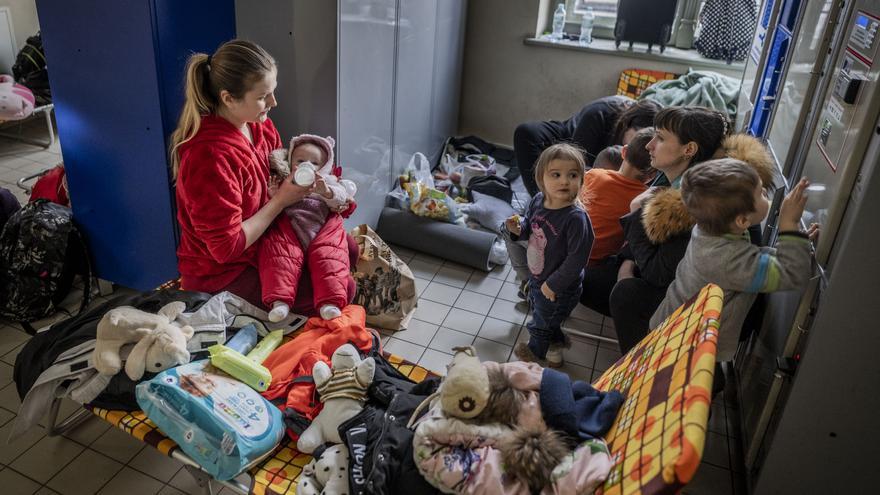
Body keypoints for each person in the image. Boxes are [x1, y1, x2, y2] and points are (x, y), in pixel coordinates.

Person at [171, 40, 355, 315]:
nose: (273, 103)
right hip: (224, 272)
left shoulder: (260, 127)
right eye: (262, 96)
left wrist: (329, 193)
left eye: (273, 92)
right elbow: (226, 249)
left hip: (267, 239)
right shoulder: (209, 157)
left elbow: (283, 177)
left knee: (347, 249)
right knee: (342, 288)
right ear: (228, 98)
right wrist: (280, 201)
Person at [609, 107, 774, 355]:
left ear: (689, 149)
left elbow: (659, 274)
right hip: (690, 291)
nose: (648, 145)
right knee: (603, 273)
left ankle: (643, 379)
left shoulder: (704, 203)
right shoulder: (676, 178)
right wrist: (628, 260)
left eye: (661, 138)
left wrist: (635, 212)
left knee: (623, 294)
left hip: (712, 315)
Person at [650, 160, 813, 362]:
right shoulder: (724, 260)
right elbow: (791, 274)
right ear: (743, 221)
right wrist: (789, 225)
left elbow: (751, 258)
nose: (767, 196)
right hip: (685, 351)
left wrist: (797, 241)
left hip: (674, 331)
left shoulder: (709, 230)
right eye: (761, 193)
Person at [504, 143, 594, 368]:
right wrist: (518, 229)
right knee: (547, 319)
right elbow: (530, 228)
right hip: (539, 278)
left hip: (560, 288)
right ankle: (555, 348)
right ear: (541, 179)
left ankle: (535, 355)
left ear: (581, 180)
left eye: (572, 175)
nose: (565, 181)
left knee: (540, 324)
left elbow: (577, 259)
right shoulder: (538, 201)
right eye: (556, 174)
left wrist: (552, 285)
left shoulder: (576, 218)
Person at [261, 134, 358, 322]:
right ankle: (280, 302)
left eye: (314, 163)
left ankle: (329, 303)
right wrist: (274, 193)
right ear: (290, 163)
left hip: (320, 234)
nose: (308, 166)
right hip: (291, 234)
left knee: (330, 261)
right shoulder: (286, 180)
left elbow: (341, 198)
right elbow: (275, 203)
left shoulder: (327, 182)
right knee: (279, 259)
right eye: (300, 160)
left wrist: (326, 191)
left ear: (324, 167)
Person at [577, 128, 656, 315]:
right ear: (652, 175)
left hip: (563, 250)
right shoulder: (644, 202)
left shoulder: (593, 175)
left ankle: (528, 282)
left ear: (623, 151)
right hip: (593, 265)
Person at [513, 96, 662, 195]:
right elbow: (576, 165)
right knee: (526, 132)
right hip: (570, 139)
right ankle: (542, 200)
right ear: (627, 124)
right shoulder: (598, 113)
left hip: (602, 164)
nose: (643, 146)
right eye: (637, 137)